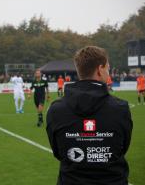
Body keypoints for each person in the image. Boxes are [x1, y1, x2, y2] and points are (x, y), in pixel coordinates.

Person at [46, 46, 133, 185]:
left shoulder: (56, 110)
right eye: (108, 68)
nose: (108, 73)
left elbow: (58, 152)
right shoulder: (121, 108)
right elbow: (122, 148)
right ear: (100, 69)